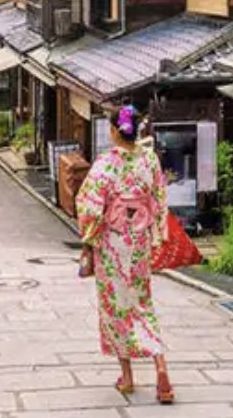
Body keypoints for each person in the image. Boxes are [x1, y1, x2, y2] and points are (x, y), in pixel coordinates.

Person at [76, 104, 174, 404]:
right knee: (142, 303)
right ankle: (161, 371)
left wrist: (89, 238)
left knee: (116, 308)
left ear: (115, 131)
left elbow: (89, 206)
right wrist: (157, 235)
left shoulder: (106, 164)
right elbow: (159, 199)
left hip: (112, 245)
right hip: (139, 242)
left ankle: (128, 377)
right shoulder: (150, 161)